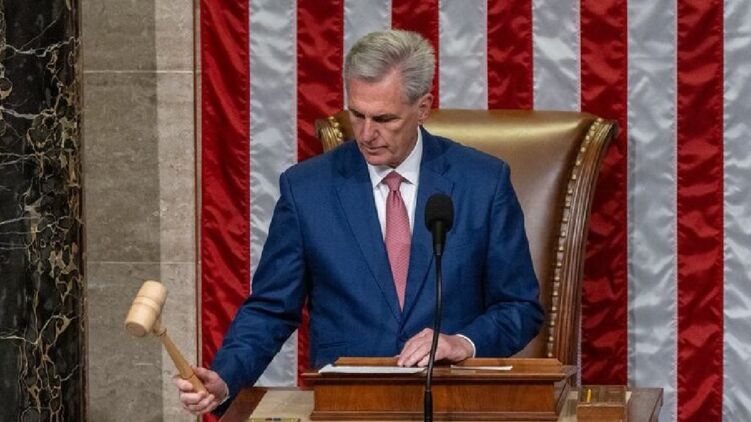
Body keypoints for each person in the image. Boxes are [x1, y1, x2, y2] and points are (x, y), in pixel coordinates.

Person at [175, 29, 544, 415]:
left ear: (422, 108)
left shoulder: (482, 183)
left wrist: (462, 342)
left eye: (384, 119)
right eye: (357, 115)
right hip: (347, 405)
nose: (367, 134)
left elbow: (519, 307)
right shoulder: (307, 189)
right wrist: (226, 376)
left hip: (456, 402)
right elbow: (271, 308)